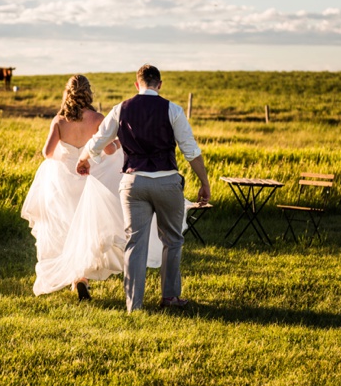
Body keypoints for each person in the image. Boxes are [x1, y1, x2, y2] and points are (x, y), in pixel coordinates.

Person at [77, 64, 211, 312]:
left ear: (137, 85)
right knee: (172, 239)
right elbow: (190, 150)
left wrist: (84, 158)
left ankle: (133, 304)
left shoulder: (121, 109)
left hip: (132, 183)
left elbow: (98, 140)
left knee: (135, 243)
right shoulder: (173, 109)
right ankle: (170, 297)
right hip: (167, 181)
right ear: (159, 84)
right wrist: (204, 182)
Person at [21, 75, 167, 301]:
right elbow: (108, 150)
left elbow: (48, 153)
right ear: (88, 93)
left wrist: (67, 157)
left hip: (64, 184)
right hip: (90, 181)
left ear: (67, 94)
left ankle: (78, 279)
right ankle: (83, 279)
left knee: (67, 230)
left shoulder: (59, 121)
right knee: (87, 230)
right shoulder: (97, 118)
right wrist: (118, 143)